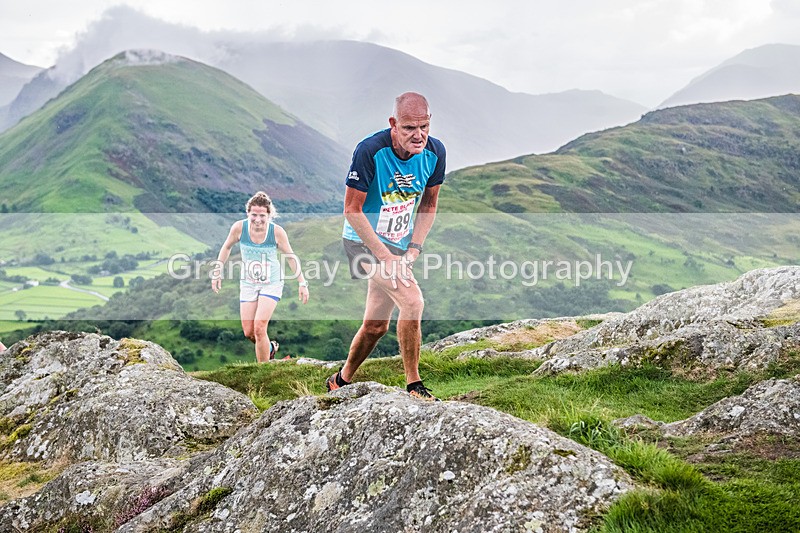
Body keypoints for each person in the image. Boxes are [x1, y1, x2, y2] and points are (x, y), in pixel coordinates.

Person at [327, 92, 446, 400]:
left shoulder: (435, 153)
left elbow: (429, 204)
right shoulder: (370, 151)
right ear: (394, 124)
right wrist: (386, 257)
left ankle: (340, 380)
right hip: (361, 243)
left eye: (424, 127)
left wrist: (413, 249)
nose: (418, 135)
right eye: (409, 128)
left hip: (398, 246)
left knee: (376, 326)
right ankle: (414, 385)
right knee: (412, 300)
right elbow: (352, 209)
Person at [212, 191, 309, 363]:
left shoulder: (277, 232)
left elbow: (291, 257)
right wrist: (218, 271)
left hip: (271, 283)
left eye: (262, 215)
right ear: (248, 213)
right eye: (254, 215)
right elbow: (226, 247)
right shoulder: (239, 228)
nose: (257, 219)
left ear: (269, 215)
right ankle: (270, 348)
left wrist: (302, 282)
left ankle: (263, 372)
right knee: (249, 332)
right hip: (248, 283)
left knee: (259, 327)